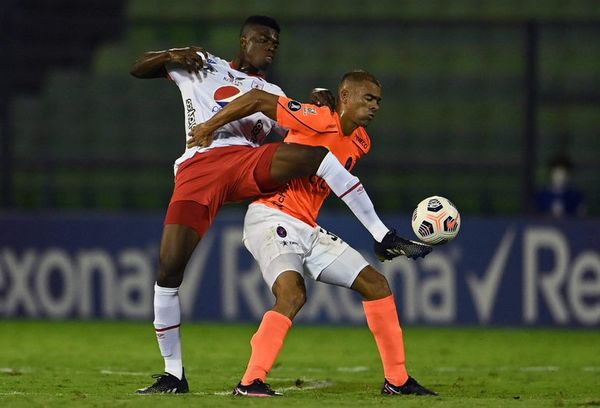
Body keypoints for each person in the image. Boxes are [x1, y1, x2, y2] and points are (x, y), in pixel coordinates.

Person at [131, 16, 431, 394]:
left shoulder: (272, 88)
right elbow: (138, 68)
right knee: (169, 268)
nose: (270, 46)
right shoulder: (203, 64)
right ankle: (173, 374)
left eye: (275, 42)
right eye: (263, 39)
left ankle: (397, 375)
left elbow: (298, 128)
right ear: (243, 41)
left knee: (312, 157)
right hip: (200, 166)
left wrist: (322, 103)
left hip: (244, 163)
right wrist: (172, 54)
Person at [188, 71, 436, 397]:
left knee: (376, 285)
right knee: (292, 294)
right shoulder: (317, 117)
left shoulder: (362, 142)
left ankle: (398, 381)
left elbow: (342, 184)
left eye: (378, 101)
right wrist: (210, 126)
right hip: (271, 216)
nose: (375, 106)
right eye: (368, 98)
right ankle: (250, 382)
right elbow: (258, 100)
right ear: (345, 97)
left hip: (308, 227)